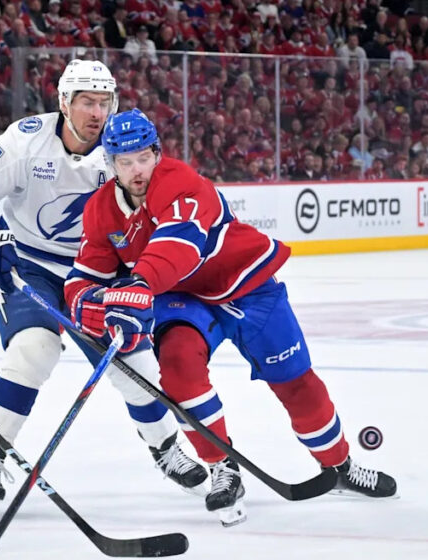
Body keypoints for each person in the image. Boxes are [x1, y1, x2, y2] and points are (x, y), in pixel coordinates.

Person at [66, 109, 398, 526]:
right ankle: (222, 468)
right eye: (125, 161)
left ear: (156, 152)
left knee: (296, 383)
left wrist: (138, 285)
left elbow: (178, 244)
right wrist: (87, 304)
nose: (137, 170)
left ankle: (340, 466)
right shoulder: (100, 210)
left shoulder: (181, 181)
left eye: (143, 157)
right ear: (109, 164)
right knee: (178, 367)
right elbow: (85, 274)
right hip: (182, 297)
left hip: (247, 284)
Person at [0, 60, 207, 517]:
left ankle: (164, 446)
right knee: (34, 348)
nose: (97, 112)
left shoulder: (124, 149)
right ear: (63, 102)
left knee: (133, 364)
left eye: (104, 102)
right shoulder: (26, 140)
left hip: (101, 272)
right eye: (86, 101)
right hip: (31, 268)